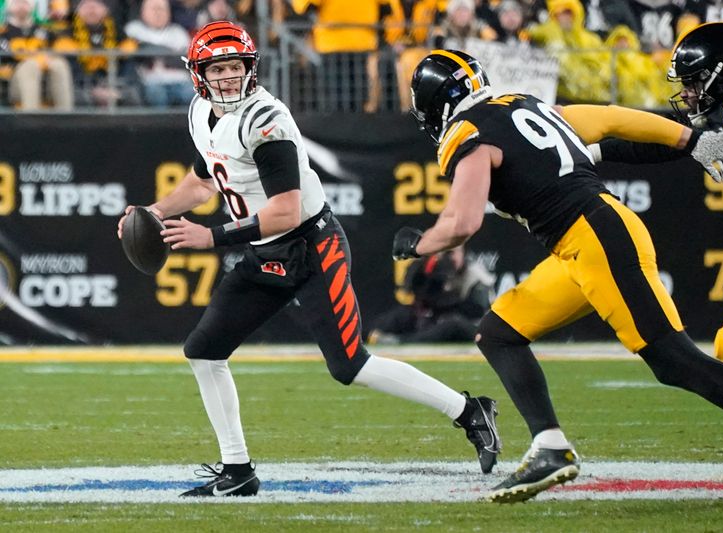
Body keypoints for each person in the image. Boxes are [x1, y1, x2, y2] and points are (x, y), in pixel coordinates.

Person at [398, 49, 723, 512]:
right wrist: (691, 139)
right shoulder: (525, 104)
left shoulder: (466, 133)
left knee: (672, 357)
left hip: (595, 236)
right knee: (500, 332)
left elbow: (462, 222)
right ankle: (550, 445)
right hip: (582, 243)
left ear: (435, 105)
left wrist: (418, 243)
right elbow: (612, 119)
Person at [116, 21, 500, 498]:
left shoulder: (264, 119)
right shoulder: (201, 112)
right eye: (218, 69)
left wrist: (210, 237)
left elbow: (285, 210)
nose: (229, 77)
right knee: (204, 351)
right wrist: (152, 212)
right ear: (199, 75)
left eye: (236, 66)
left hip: (311, 246)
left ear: (250, 68)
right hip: (264, 252)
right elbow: (203, 181)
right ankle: (238, 470)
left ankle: (468, 411)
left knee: (350, 365)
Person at [591, 22, 723, 512]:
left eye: (695, 79)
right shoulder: (720, 114)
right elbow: (660, 143)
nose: (686, 92)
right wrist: (591, 151)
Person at [368, 245, 495, 343]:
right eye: (444, 253)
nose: (449, 258)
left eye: (452, 253)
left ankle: (400, 341)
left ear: (463, 253)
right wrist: (430, 273)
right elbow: (415, 292)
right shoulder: (436, 269)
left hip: (474, 327)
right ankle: (366, 335)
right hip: (442, 317)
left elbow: (477, 311)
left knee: (453, 324)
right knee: (406, 314)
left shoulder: (476, 275)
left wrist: (445, 301)